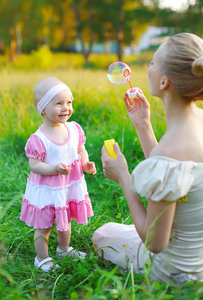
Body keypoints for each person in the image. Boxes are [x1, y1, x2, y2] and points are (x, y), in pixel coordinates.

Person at [92, 33, 203, 283]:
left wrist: (124, 177)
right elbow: (172, 172)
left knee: (103, 234)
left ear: (164, 81)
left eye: (152, 62)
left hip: (173, 272)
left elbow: (154, 242)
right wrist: (143, 124)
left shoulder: (168, 153)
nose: (147, 68)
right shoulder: (194, 129)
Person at [20, 77, 96, 273]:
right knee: (44, 227)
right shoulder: (39, 139)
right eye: (59, 103)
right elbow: (35, 165)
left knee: (66, 221)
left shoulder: (73, 128)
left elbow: (80, 149)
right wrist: (54, 169)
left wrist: (85, 162)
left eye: (69, 102)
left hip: (68, 185)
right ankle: (42, 258)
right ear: (43, 108)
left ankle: (63, 249)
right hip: (48, 189)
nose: (66, 108)